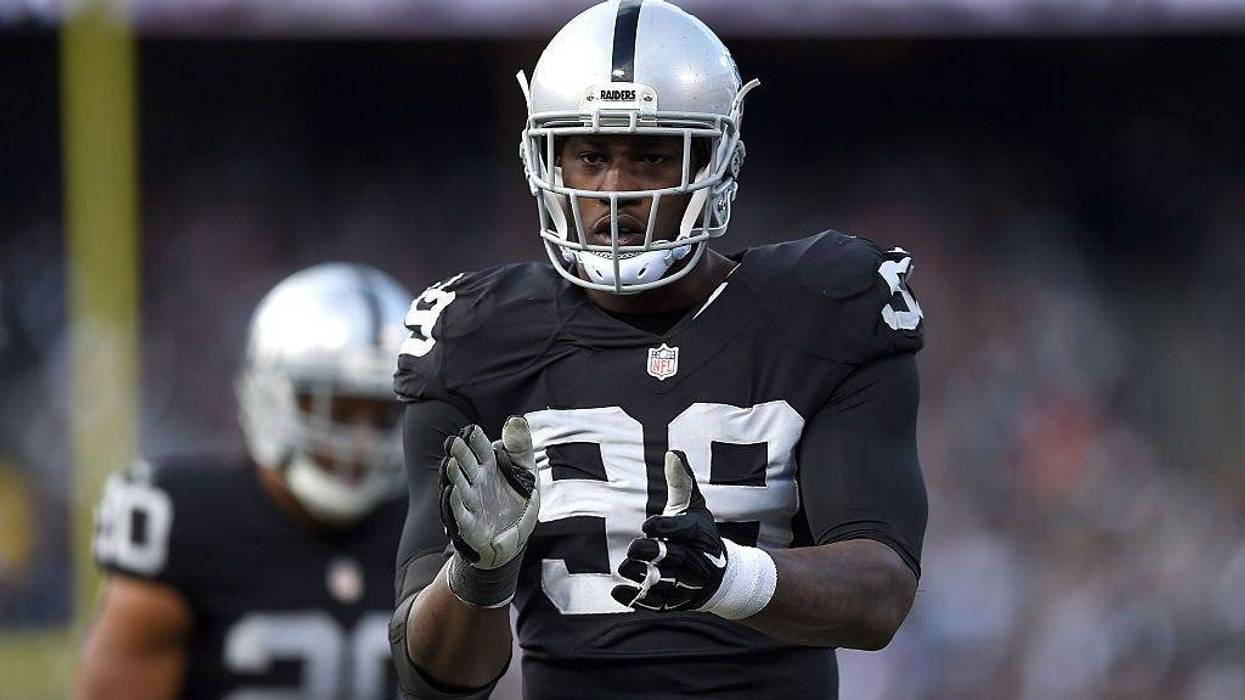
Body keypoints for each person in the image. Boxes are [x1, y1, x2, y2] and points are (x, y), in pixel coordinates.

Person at [390, 1, 928, 698]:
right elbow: (431, 678)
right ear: (545, 161)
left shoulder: (825, 309)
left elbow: (878, 596)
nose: (616, 191)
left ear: (716, 161)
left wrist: (729, 577)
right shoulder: (470, 337)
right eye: (591, 156)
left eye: (651, 156)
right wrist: (477, 577)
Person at [78, 263, 413, 700]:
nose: (363, 444)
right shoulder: (185, 520)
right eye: (340, 411)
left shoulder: (432, 526)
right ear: (270, 395)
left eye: (383, 414)